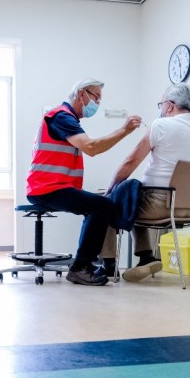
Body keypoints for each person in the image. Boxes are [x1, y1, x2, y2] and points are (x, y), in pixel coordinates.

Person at [26, 78, 142, 286]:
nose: (97, 103)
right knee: (102, 205)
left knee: (98, 204)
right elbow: (91, 147)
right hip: (46, 189)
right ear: (82, 94)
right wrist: (124, 131)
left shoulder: (66, 119)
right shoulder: (61, 117)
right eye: (95, 97)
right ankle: (81, 267)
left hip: (52, 187)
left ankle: (86, 264)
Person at [100, 82, 190, 282]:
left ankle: (108, 265)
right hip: (189, 206)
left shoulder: (161, 125)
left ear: (169, 105)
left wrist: (110, 188)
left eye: (161, 104)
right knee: (133, 194)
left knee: (108, 201)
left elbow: (130, 162)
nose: (161, 109)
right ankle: (145, 257)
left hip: (159, 204)